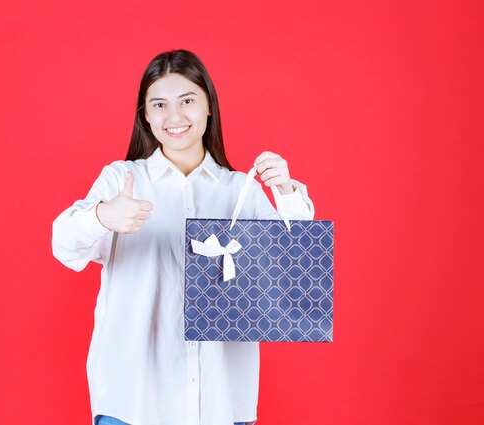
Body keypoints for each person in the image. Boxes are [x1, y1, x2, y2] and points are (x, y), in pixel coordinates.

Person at [51, 49, 315, 425]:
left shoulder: (241, 191)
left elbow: (296, 275)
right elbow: (63, 245)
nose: (174, 117)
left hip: (221, 400)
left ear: (209, 106)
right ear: (145, 115)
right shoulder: (121, 180)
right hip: (133, 401)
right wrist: (101, 215)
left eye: (187, 101)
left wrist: (287, 193)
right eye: (159, 104)